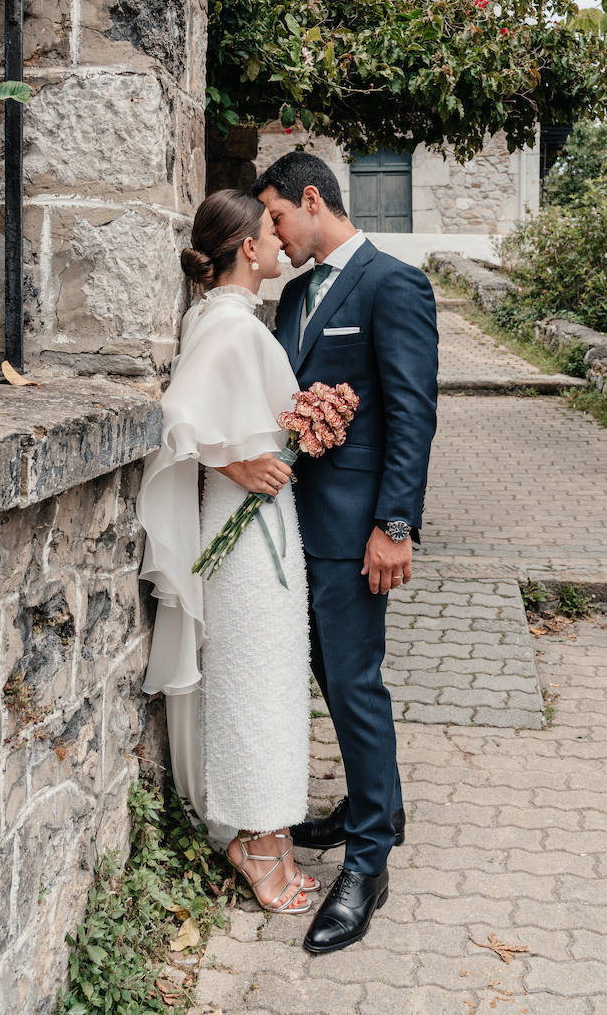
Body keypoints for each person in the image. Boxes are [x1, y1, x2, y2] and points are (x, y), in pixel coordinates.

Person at [254, 151, 439, 955]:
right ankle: (376, 805)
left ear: (311, 199)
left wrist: (394, 527)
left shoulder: (394, 285)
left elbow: (412, 414)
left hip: (358, 527)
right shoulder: (294, 295)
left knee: (355, 682)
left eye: (277, 217)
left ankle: (370, 862)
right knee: (330, 673)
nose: (274, 234)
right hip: (296, 521)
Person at [136, 190, 318, 914]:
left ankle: (266, 830)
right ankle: (258, 843)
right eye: (271, 231)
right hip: (246, 535)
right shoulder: (230, 326)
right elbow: (178, 415)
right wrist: (232, 463)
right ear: (246, 247)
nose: (280, 242)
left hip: (256, 528)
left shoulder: (226, 318)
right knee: (259, 686)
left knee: (263, 679)